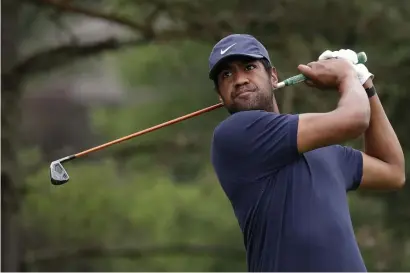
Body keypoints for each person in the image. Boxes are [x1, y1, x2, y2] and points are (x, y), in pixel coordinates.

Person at [208, 34, 405, 272]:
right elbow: (354, 119)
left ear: (273, 77)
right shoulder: (235, 135)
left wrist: (365, 84)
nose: (239, 80)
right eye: (226, 75)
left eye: (249, 67)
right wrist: (346, 76)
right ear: (220, 96)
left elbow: (393, 171)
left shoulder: (324, 150)